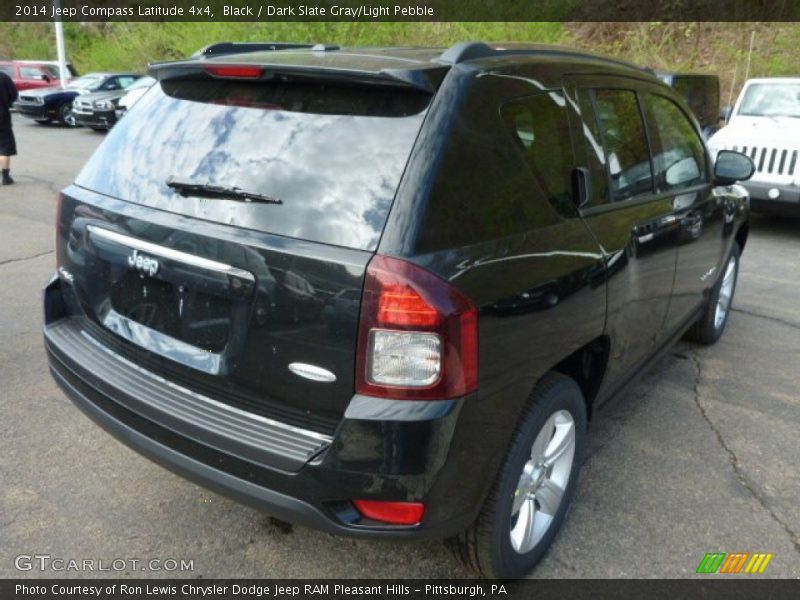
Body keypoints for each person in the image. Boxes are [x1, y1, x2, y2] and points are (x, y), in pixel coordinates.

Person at [0, 68, 18, 185]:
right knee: (5, 146)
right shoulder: (4, 77)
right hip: (2, 116)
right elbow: (14, 95)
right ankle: (6, 177)